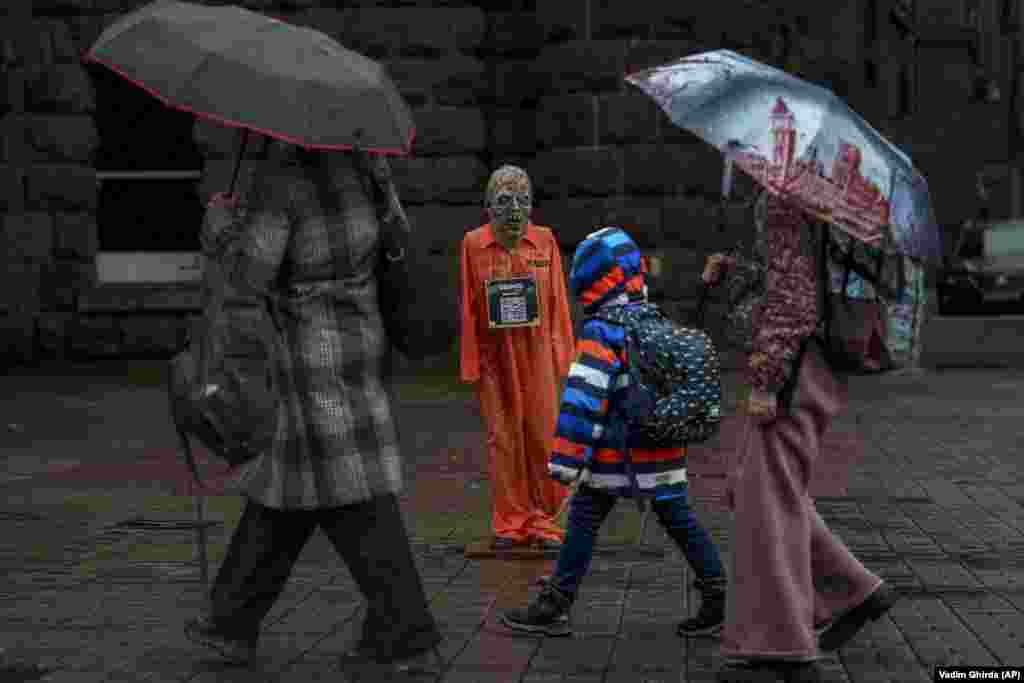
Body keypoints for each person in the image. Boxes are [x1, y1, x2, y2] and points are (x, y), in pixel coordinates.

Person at [183, 138, 443, 679]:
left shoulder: (284, 184)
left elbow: (250, 274)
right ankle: (230, 620)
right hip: (360, 338)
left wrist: (219, 230)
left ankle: (406, 631)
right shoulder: (370, 169)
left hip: (308, 356)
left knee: (351, 491)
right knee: (291, 485)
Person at [702, 194, 898, 682]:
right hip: (817, 358)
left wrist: (767, 380)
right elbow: (793, 273)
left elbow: (793, 299)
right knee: (759, 486)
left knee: (767, 501)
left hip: (796, 366)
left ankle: (783, 649)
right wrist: (734, 271)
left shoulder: (788, 191)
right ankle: (852, 591)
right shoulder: (820, 184)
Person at [499, 226, 727, 638]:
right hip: (664, 448)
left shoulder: (602, 330)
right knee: (679, 518)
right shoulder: (655, 320)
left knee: (584, 518)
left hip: (614, 456)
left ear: (590, 283)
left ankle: (556, 603)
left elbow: (584, 399)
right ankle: (718, 593)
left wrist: (566, 461)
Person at [458, 165, 575, 550]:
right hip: (496, 357)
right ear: (488, 206)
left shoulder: (545, 241)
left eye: (522, 201)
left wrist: (564, 357)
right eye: (504, 201)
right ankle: (511, 520)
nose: (513, 209)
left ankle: (548, 517)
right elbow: (469, 307)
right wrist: (471, 361)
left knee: (544, 433)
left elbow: (558, 300)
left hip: (538, 353)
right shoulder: (473, 244)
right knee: (503, 438)